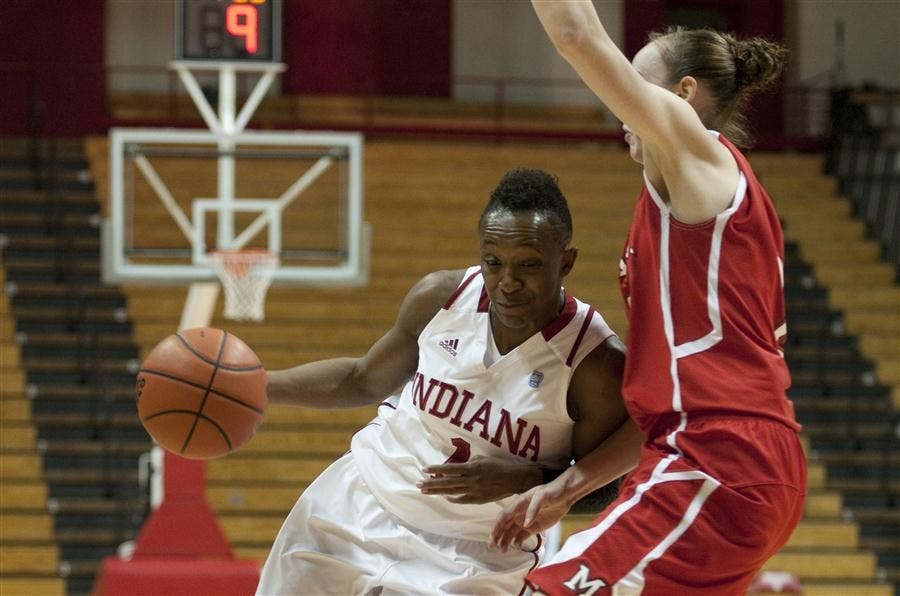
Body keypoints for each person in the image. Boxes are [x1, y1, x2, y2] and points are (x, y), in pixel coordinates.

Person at [490, 4, 807, 595]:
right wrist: (571, 486)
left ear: (684, 94)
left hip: (717, 461)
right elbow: (671, 401)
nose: (622, 105)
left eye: (637, 81)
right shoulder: (696, 201)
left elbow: (576, 33)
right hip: (733, 459)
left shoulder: (699, 153)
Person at [255, 168, 629, 595]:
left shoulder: (594, 362)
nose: (508, 282)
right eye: (494, 261)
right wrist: (257, 384)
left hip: (476, 552)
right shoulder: (442, 297)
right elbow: (362, 380)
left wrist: (526, 479)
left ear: (565, 262)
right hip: (356, 504)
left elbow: (604, 486)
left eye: (528, 264)